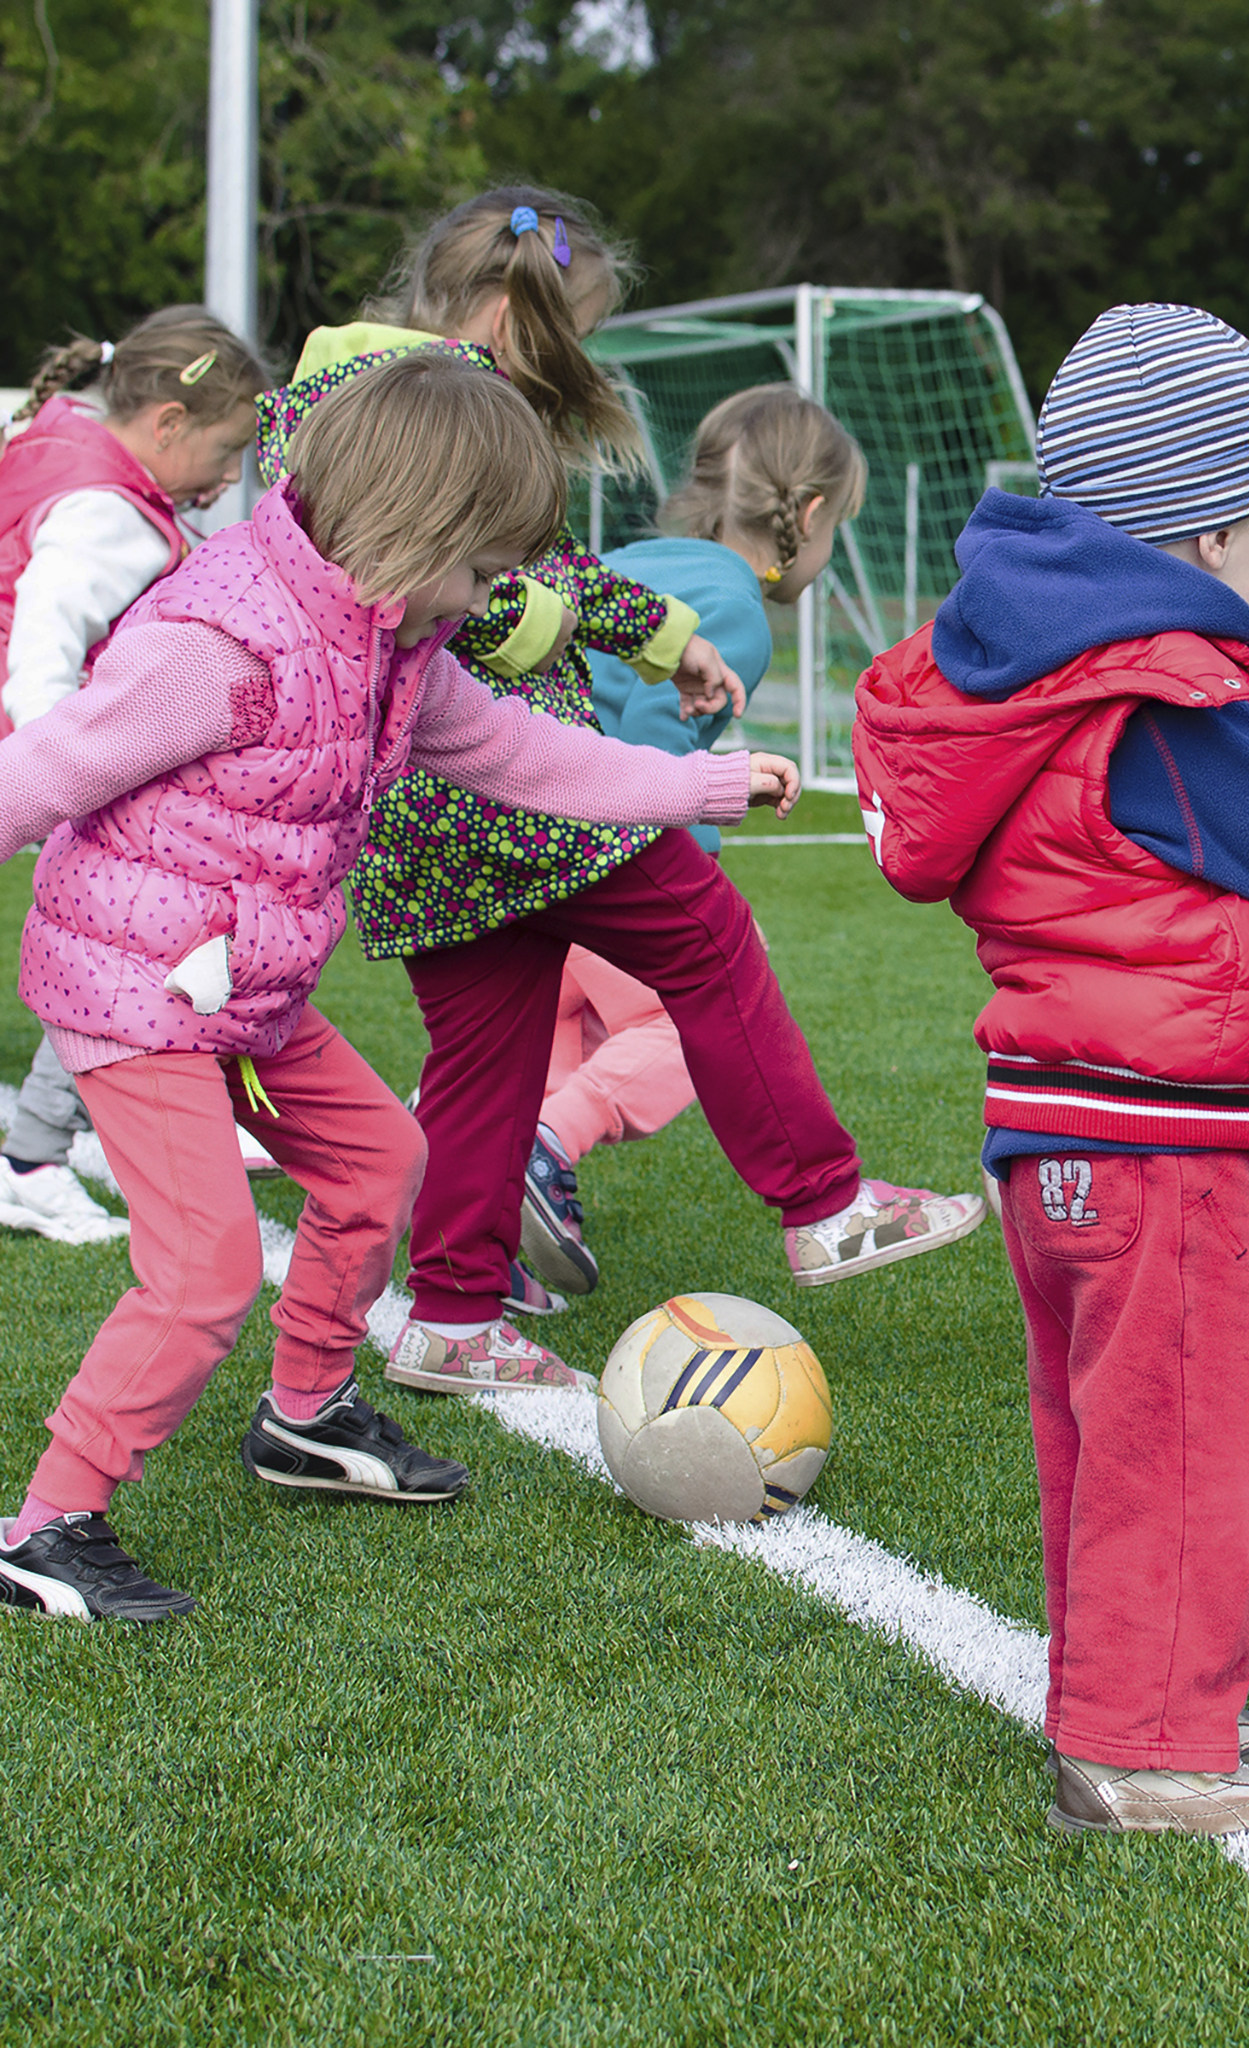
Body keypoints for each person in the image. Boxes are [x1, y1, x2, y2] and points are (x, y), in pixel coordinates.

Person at [0, 351, 803, 1624]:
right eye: (486, 570)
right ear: (417, 530)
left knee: (383, 1161)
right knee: (204, 1270)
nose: (494, 599)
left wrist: (702, 784)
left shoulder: (393, 647)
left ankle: (306, 1415)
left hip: (243, 990)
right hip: (134, 989)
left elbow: (526, 757)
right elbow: (40, 774)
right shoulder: (217, 646)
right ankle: (48, 1523)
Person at [258, 189, 983, 1382]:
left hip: (415, 818)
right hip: (509, 790)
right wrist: (562, 632)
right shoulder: (427, 404)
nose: (574, 364)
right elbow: (459, 588)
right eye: (570, 334)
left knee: (485, 1059)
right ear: (504, 312)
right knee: (707, 941)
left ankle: (449, 1317)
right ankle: (823, 1200)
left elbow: (541, 565)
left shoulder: (345, 389)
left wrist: (664, 637)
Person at [853, 304, 1249, 1837]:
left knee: (1107, 1440)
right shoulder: (1164, 693)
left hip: (1063, 1131)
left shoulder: (1048, 674)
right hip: (1155, 1150)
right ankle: (1146, 1748)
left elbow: (1130, 891)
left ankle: (1127, 1695)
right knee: (1188, 1445)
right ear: (1215, 533)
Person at [521, 384, 867, 1298]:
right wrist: (691, 877)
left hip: (506, 846)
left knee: (538, 1038)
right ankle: (548, 1145)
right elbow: (647, 753)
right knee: (686, 1012)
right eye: (839, 530)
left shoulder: (640, 559)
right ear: (810, 513)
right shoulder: (736, 612)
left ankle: (467, 1179)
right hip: (579, 848)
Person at [0, 308, 269, 1245]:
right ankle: (33, 1158)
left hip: (49, 766)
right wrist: (56, 769)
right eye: (229, 449)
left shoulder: (65, 440)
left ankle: (52, 1146)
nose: (232, 476)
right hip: (50, 769)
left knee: (121, 949)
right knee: (128, 950)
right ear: (166, 424)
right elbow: (43, 633)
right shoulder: (110, 512)